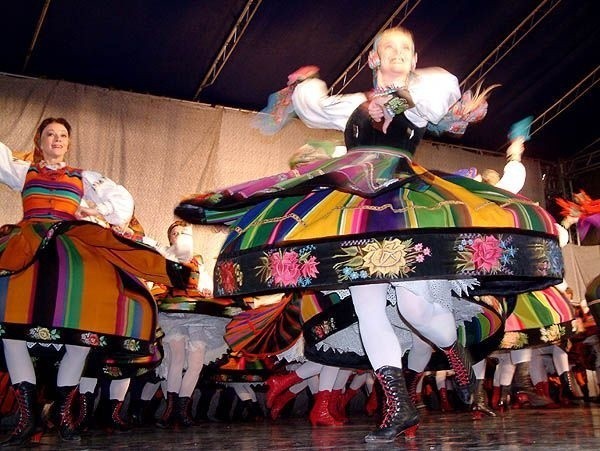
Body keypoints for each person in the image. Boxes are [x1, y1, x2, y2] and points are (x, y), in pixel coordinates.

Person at [175, 27, 562, 443]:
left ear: (414, 61)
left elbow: (448, 117)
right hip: (355, 212)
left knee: (415, 310)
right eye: (388, 50)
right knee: (369, 309)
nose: (397, 55)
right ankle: (399, 405)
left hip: (405, 207)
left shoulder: (420, 100)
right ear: (373, 60)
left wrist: (461, 116)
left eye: (406, 51)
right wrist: (304, 86)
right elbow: (316, 108)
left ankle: (457, 356)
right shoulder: (353, 105)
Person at [0, 118, 189, 446]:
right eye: (50, 135)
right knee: (10, 329)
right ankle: (27, 416)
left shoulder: (82, 177)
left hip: (71, 249)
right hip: (28, 246)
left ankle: (62, 413)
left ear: (68, 143)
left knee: (82, 335)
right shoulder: (23, 170)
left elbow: (120, 203)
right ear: (39, 140)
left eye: (62, 136)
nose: (56, 140)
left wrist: (93, 214)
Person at [152, 220, 234, 428]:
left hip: (197, 312)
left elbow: (205, 282)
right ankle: (170, 409)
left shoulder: (198, 260)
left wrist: (208, 290)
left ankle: (182, 408)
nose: (179, 235)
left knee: (196, 361)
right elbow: (156, 282)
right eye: (175, 232)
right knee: (177, 358)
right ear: (170, 238)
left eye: (184, 232)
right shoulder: (163, 256)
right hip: (173, 312)